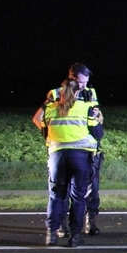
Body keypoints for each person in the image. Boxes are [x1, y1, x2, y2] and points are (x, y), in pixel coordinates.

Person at [32, 64, 104, 236]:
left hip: (87, 151)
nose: (83, 86)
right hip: (68, 151)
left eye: (86, 82)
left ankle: (89, 221)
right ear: (71, 78)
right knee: (63, 193)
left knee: (91, 190)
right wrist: (50, 135)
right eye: (80, 82)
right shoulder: (56, 94)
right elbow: (38, 118)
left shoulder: (90, 93)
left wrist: (96, 117)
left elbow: (100, 119)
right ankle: (62, 226)